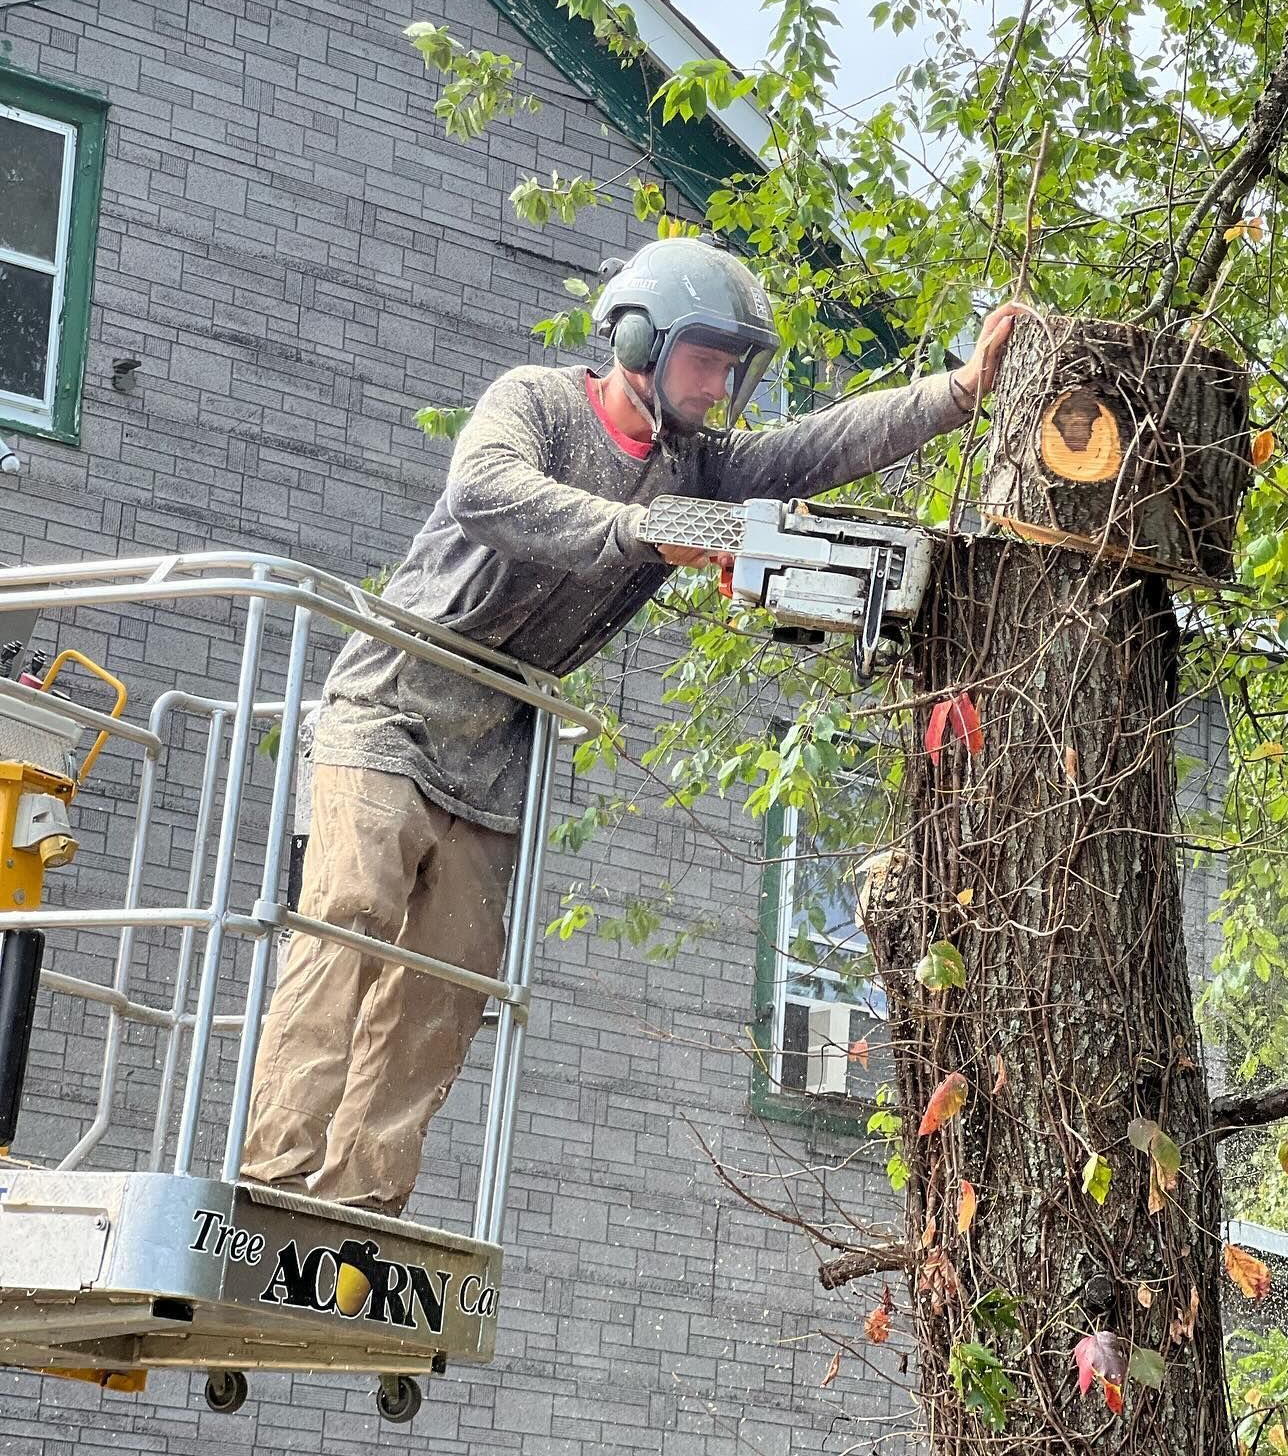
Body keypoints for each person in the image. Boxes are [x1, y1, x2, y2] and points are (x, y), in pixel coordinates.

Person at [241, 238, 1022, 1215]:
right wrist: (636, 529)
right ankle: (272, 1173)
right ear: (641, 340)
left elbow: (817, 446)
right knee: (351, 910)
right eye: (706, 359)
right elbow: (485, 491)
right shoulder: (533, 403)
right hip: (392, 700)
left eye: (735, 365)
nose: (721, 382)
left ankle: (357, 1202)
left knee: (451, 980)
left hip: (494, 745)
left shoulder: (698, 466)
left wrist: (958, 390)